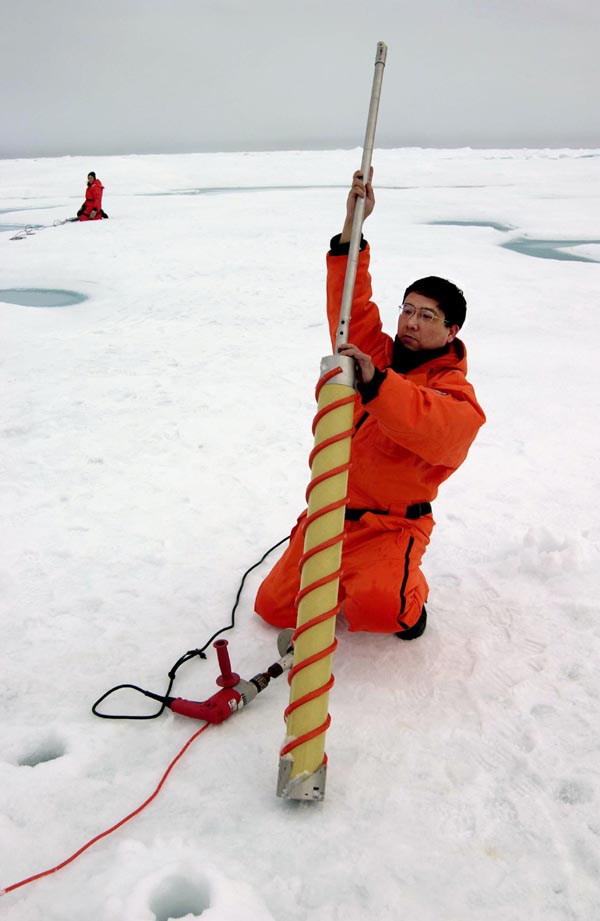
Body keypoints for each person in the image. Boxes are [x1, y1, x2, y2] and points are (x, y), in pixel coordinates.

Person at [255, 169, 486, 639]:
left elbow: (430, 423)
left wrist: (378, 384)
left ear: (452, 331)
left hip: (389, 528)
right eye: (407, 309)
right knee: (274, 609)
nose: (412, 322)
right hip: (332, 514)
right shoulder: (375, 353)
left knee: (382, 614)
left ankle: (405, 594)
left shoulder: (453, 393)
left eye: (427, 316)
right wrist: (352, 226)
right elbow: (349, 305)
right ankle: (341, 576)